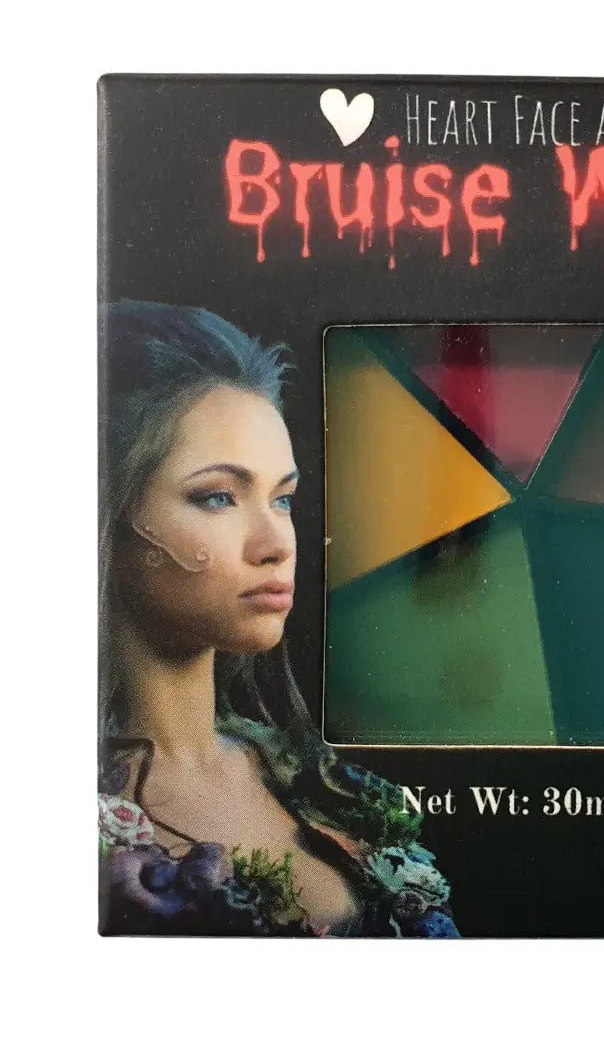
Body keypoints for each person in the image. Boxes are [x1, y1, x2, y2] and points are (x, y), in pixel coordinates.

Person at [98, 300, 458, 937]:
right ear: (105, 512)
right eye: (218, 497)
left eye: (283, 499)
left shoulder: (316, 780)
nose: (276, 545)